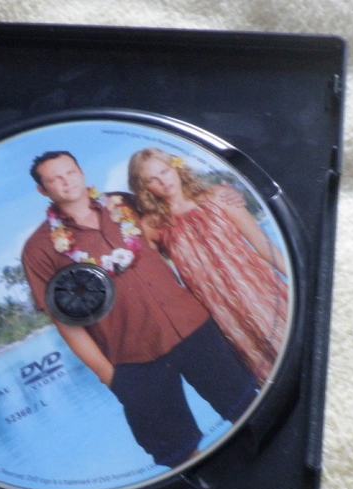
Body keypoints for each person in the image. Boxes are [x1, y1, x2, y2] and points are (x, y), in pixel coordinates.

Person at [21, 151, 257, 468]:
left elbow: (177, 207)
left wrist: (224, 192)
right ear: (43, 190)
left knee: (248, 411)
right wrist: (110, 377)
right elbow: (67, 324)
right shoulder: (39, 249)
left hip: (194, 328)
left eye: (70, 172)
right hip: (133, 360)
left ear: (81, 172)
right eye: (55, 179)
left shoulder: (124, 203)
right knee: (179, 455)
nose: (67, 182)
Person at [127, 148, 289, 383]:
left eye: (165, 171)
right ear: (144, 188)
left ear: (176, 167)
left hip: (259, 290)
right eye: (152, 179)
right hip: (220, 311)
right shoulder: (153, 226)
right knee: (267, 374)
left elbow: (263, 245)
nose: (163, 181)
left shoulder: (220, 197)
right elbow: (158, 279)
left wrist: (301, 283)